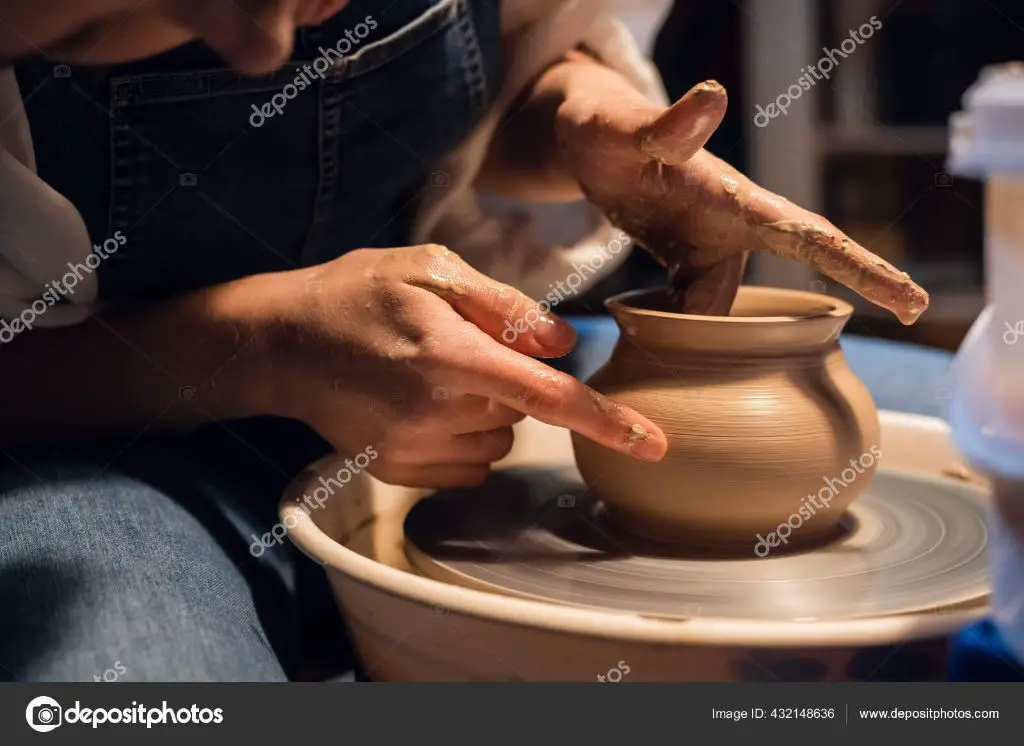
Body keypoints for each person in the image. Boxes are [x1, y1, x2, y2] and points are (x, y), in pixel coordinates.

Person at [0, 0, 927, 681]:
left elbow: (504, 69)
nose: (269, 46)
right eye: (96, 24)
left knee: (974, 421)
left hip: (430, 376)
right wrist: (265, 345)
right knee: (126, 685)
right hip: (90, 437)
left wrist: (581, 118)